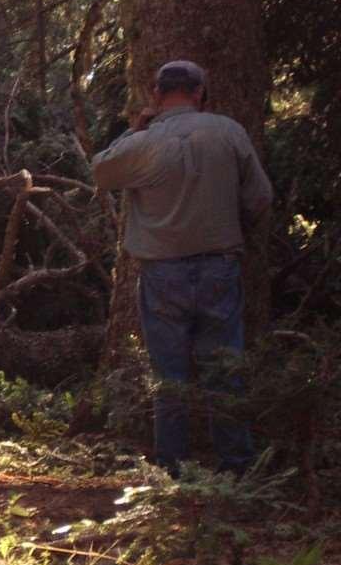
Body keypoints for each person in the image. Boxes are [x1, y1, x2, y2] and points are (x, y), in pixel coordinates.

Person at [91, 60, 273, 476]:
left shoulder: (144, 141)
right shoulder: (228, 131)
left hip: (162, 274)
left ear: (156, 95)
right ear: (200, 93)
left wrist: (136, 128)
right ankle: (236, 468)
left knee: (168, 373)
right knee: (224, 368)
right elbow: (260, 197)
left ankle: (170, 466)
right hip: (219, 268)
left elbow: (101, 171)